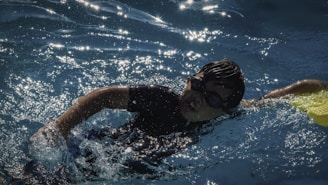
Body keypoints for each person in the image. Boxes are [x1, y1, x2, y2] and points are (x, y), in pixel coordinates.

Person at [30, 58, 327, 176]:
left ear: (224, 108)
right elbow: (104, 96)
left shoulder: (227, 116)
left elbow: (267, 102)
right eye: (195, 85)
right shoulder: (162, 99)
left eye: (210, 97)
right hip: (94, 151)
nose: (196, 97)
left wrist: (308, 89)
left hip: (127, 169)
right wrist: (59, 127)